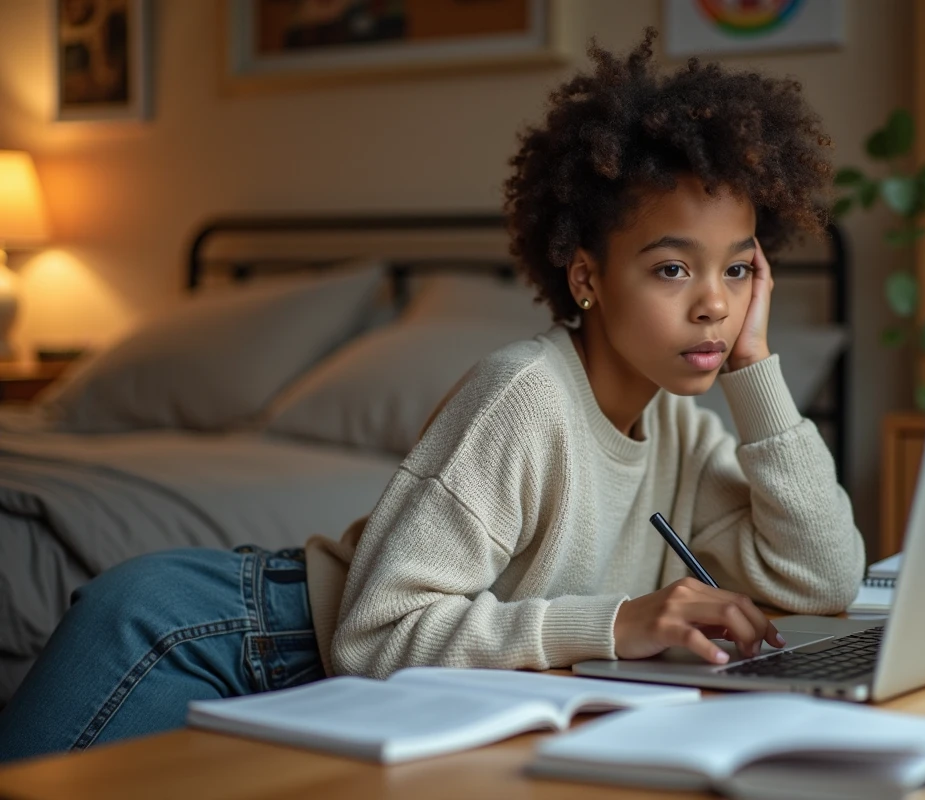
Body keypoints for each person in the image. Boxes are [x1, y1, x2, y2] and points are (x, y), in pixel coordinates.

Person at [0, 28, 864, 762]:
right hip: (204, 635)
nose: (715, 301)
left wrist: (753, 368)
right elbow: (373, 636)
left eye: (740, 268)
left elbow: (824, 576)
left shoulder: (680, 429)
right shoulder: (523, 396)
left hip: (305, 666)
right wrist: (615, 623)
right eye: (673, 267)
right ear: (587, 276)